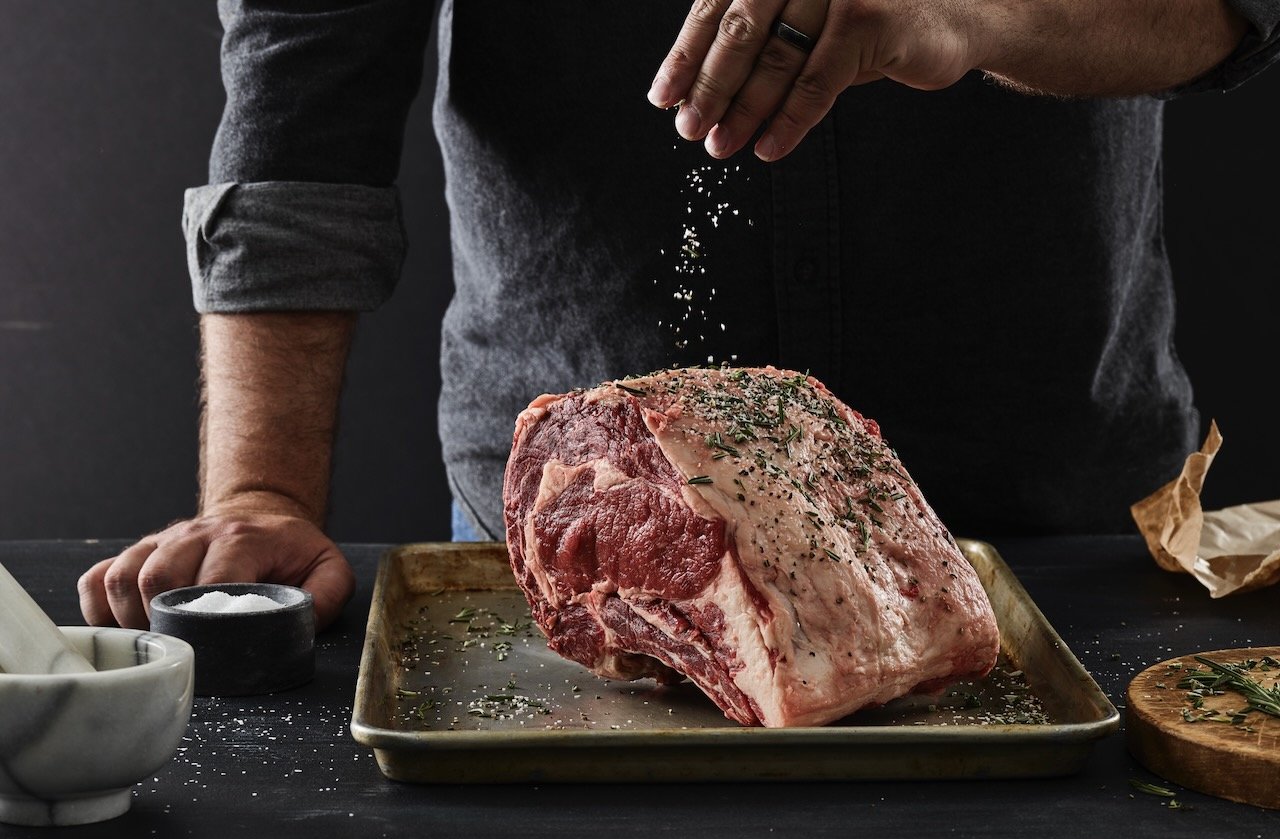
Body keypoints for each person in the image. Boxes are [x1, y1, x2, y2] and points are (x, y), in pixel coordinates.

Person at [79, 0, 1279, 630]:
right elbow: (300, 98)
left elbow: (1226, 9)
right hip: (579, 546)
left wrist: (970, 14)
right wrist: (262, 501)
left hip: (1054, 529)